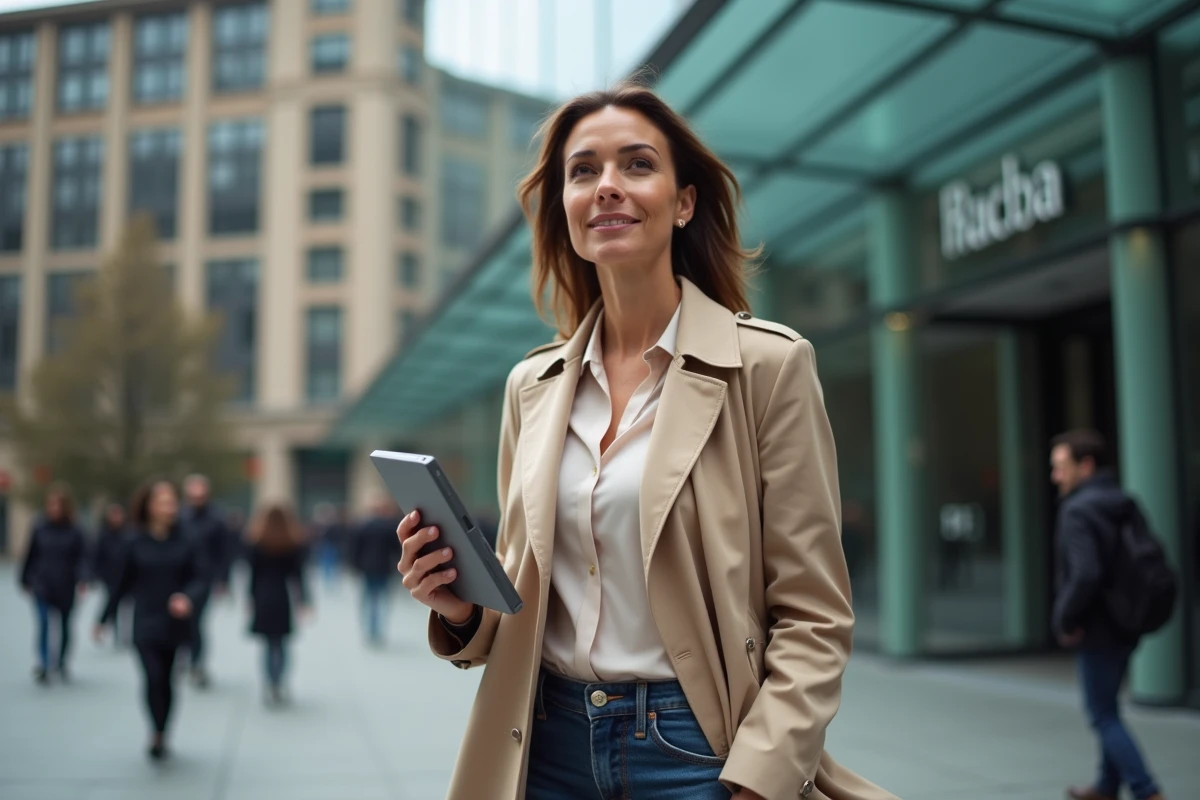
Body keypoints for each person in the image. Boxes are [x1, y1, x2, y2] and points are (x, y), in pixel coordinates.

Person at [396, 81, 895, 800]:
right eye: (583, 170)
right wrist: (458, 607)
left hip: (699, 753)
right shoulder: (530, 386)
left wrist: (761, 778)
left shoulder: (769, 367)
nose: (606, 186)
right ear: (566, 208)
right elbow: (520, 595)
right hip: (542, 744)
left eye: (636, 164)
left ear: (683, 201)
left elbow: (814, 614)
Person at [1050, 430, 1167, 800]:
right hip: (1127, 621)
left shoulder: (1078, 509)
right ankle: (1105, 786)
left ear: (1086, 466)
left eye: (1061, 467)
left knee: (1102, 714)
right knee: (1109, 707)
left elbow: (1086, 574)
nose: (1055, 476)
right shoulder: (1122, 501)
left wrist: (1065, 619)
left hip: (1097, 627)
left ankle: (1147, 791)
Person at [94, 478, 208, 760]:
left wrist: (187, 597)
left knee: (167, 679)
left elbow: (200, 577)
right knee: (152, 676)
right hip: (145, 619)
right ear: (148, 506)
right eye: (162, 502)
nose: (168, 507)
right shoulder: (133, 541)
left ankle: (163, 729)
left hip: (175, 621)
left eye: (172, 502)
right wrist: (103, 619)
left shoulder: (187, 538)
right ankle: (155, 731)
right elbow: (121, 583)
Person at [19, 484, 88, 684]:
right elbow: (31, 553)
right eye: (51, 504)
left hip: (66, 584)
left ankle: (62, 661)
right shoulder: (39, 527)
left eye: (58, 504)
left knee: (65, 625)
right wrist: (25, 578)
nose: (54, 508)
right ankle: (44, 663)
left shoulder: (75, 530)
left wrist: (83, 578)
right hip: (43, 583)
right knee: (43, 623)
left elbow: (83, 557)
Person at [245, 502, 312, 705]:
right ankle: (279, 680)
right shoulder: (291, 543)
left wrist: (250, 598)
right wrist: (304, 600)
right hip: (282, 597)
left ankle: (270, 681)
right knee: (281, 644)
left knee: (268, 644)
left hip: (263, 596)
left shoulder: (257, 543)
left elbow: (253, 576)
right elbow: (298, 576)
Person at [179, 474, 230, 688]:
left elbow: (224, 552)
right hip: (179, 577)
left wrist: (223, 580)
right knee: (180, 622)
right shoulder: (180, 517)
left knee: (196, 622)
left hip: (203, 578)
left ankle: (196, 662)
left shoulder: (216, 519)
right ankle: (184, 657)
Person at [349, 498, 401, 646]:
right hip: (384, 567)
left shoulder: (363, 526)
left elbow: (355, 548)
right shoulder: (390, 526)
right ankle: (378, 630)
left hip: (367, 567)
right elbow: (397, 549)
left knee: (368, 599)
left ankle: (370, 630)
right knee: (383, 599)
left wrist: (355, 566)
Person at [90, 502, 135, 648]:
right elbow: (97, 556)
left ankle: (124, 633)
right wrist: (95, 574)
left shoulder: (129, 534)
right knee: (112, 602)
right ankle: (113, 631)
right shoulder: (104, 535)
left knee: (126, 606)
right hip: (109, 576)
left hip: (126, 575)